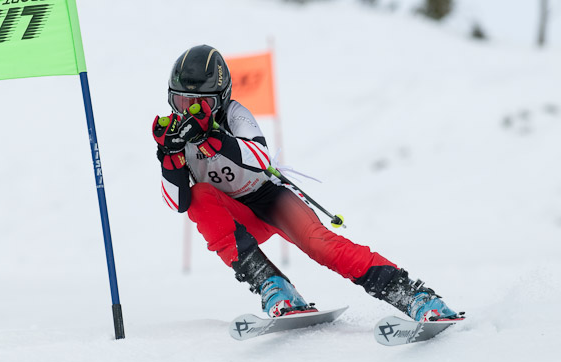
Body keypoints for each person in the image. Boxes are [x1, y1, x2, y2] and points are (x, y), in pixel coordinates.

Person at [152, 44, 462, 321]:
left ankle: (414, 296)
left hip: (271, 200)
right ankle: (273, 286)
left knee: (322, 247)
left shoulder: (235, 115)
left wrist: (214, 135)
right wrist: (169, 155)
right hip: (237, 216)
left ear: (220, 100)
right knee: (201, 195)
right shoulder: (180, 135)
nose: (187, 111)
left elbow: (260, 158)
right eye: (180, 101)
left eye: (199, 104)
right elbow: (178, 203)